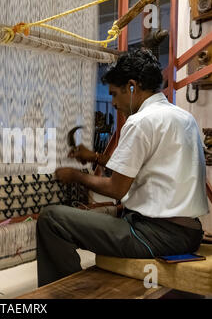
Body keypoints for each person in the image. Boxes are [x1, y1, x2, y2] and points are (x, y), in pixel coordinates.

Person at [36, 49, 209, 287]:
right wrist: (96, 157)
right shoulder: (182, 117)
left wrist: (75, 175)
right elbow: (145, 165)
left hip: (156, 235)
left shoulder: (140, 121)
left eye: (115, 95)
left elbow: (116, 188)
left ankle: (67, 294)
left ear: (131, 86)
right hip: (189, 233)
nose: (114, 103)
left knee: (51, 219)